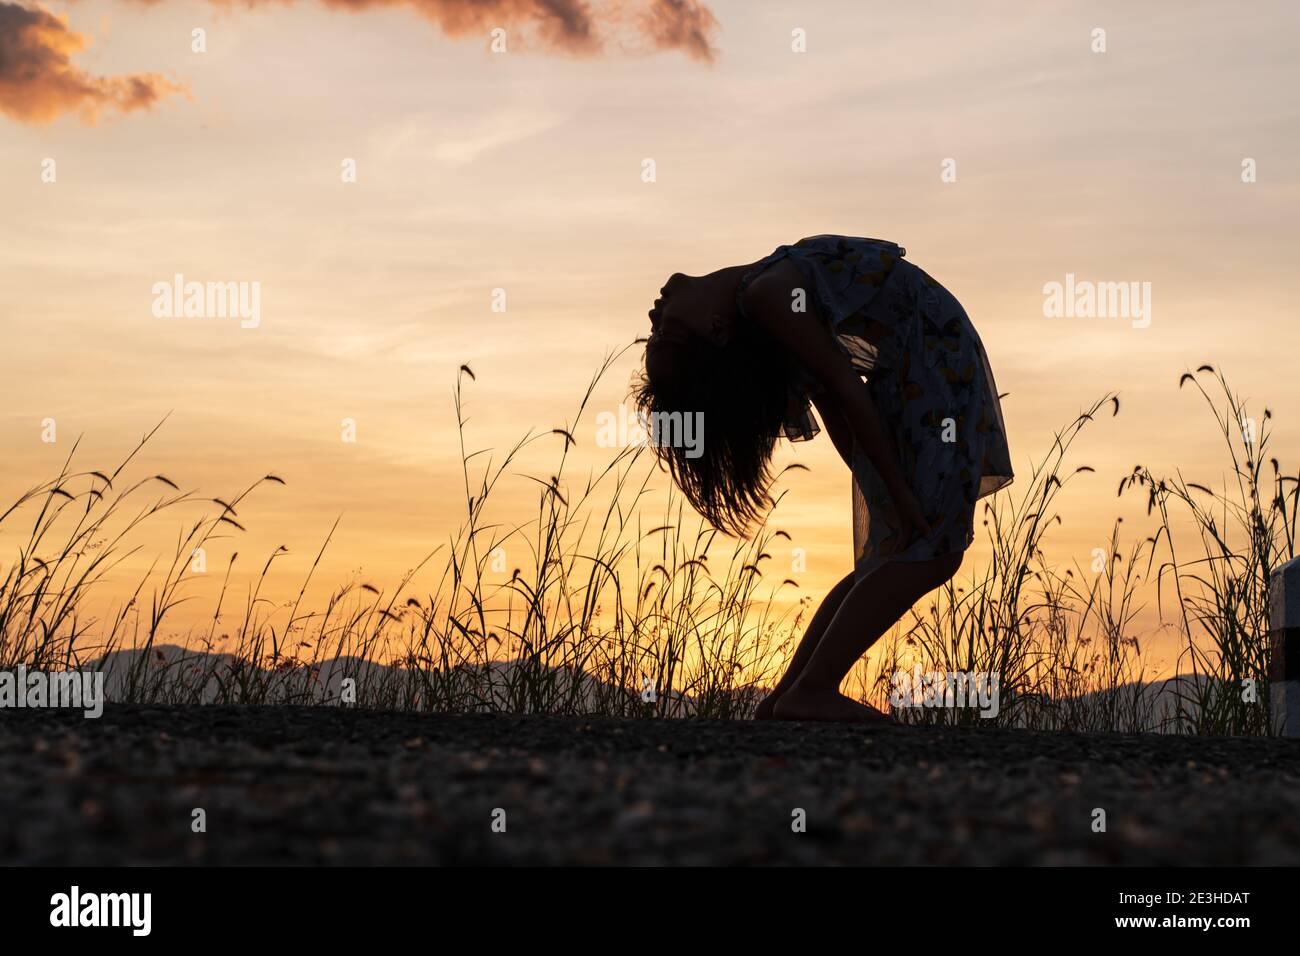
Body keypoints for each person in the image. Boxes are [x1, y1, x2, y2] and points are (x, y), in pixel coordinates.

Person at [633, 235, 1013, 722]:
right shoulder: (766, 300)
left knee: (901, 554)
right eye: (666, 334)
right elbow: (839, 395)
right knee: (931, 553)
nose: (653, 317)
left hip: (928, 357)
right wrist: (889, 487)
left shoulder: (765, 299)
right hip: (930, 364)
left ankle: (791, 694)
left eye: (655, 335)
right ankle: (808, 690)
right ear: (716, 331)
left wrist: (886, 484)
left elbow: (839, 391)